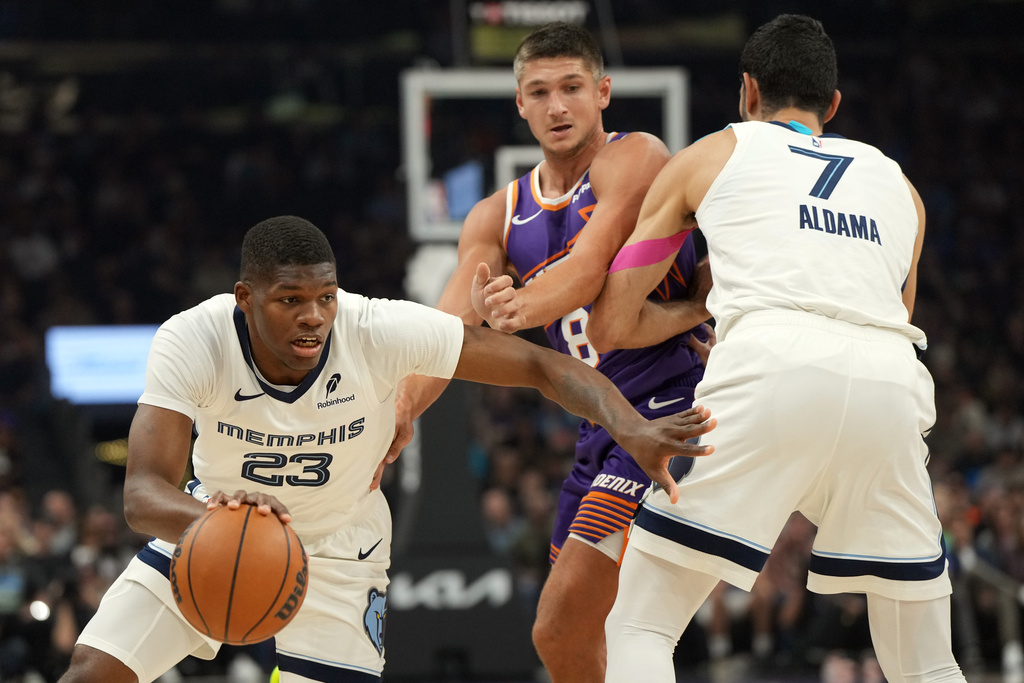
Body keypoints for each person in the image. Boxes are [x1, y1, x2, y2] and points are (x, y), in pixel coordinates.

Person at [55, 215, 713, 683]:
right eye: (290, 300)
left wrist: (628, 423)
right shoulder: (192, 339)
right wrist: (222, 526)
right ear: (245, 299)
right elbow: (141, 493)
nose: (313, 315)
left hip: (341, 549)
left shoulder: (375, 330)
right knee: (91, 671)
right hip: (207, 531)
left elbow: (538, 366)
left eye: (324, 297)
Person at [588, 14, 967, 683]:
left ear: (747, 92)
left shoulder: (711, 154)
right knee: (928, 662)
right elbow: (891, 315)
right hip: (889, 387)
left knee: (640, 623)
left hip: (769, 367)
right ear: (835, 105)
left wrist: (706, 303)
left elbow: (612, 323)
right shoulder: (900, 186)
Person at [393, 21, 711, 682]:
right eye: (539, 91)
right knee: (567, 639)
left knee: (567, 616)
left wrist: (516, 308)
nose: (556, 105)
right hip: (600, 428)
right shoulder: (494, 216)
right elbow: (443, 335)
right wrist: (401, 413)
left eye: (571, 87)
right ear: (519, 103)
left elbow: (591, 269)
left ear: (603, 92)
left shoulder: (638, 158)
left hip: (672, 407)